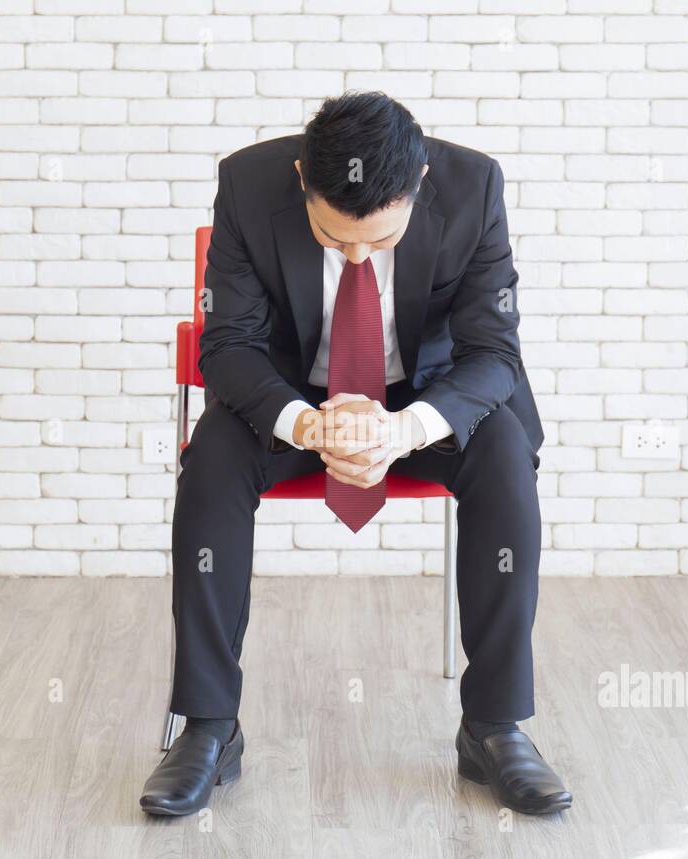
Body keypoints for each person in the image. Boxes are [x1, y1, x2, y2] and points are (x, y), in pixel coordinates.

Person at [141, 91, 571, 817]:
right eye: (336, 239)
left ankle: (495, 726)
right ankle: (210, 724)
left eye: (380, 239)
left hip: (422, 403)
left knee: (502, 450)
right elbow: (229, 345)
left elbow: (494, 352)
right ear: (304, 177)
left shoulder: (475, 187)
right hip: (294, 400)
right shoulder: (248, 183)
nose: (357, 255)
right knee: (211, 458)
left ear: (421, 182)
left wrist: (405, 430)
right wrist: (309, 425)